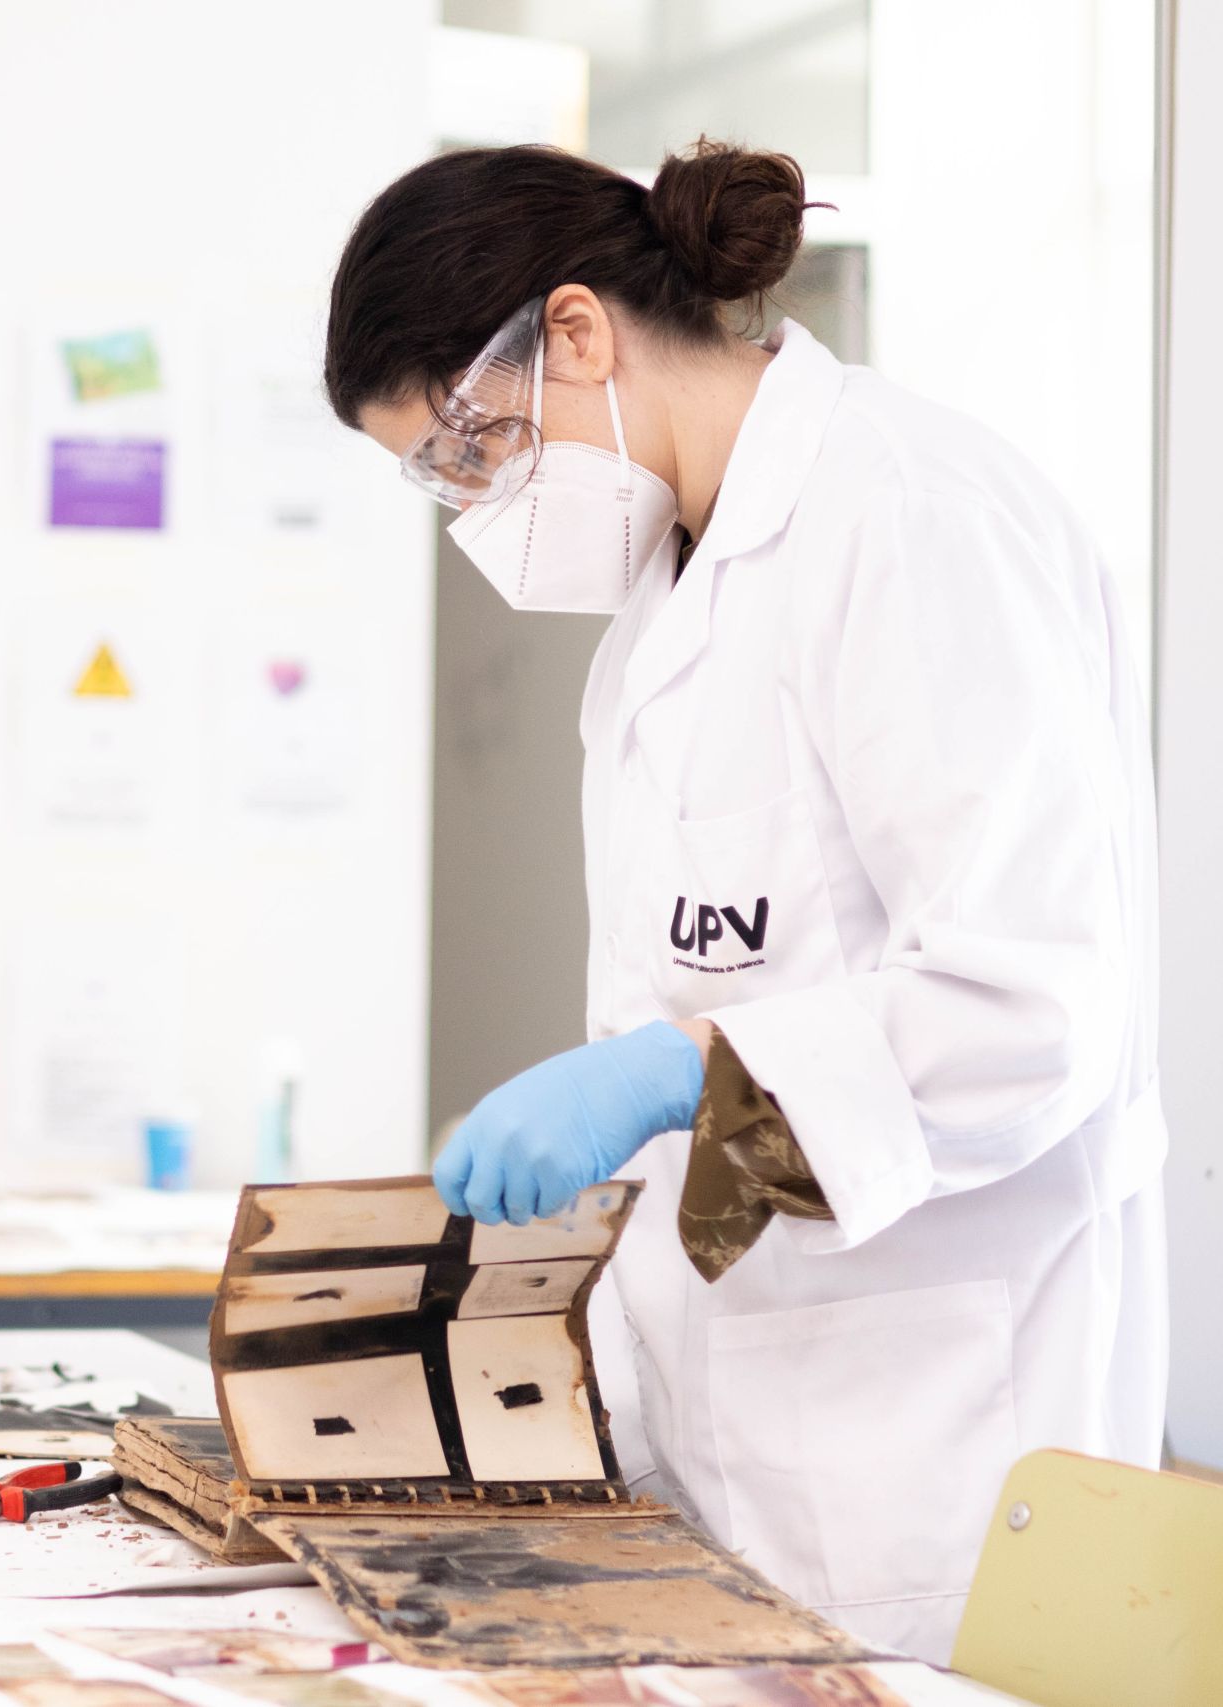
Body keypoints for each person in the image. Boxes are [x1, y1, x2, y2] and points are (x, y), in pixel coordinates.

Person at [324, 142, 1164, 1661]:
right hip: (740, 1432)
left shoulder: (910, 515)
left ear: (576, 333)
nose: (478, 506)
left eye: (472, 446)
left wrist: (679, 1072)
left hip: (936, 1455)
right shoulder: (669, 602)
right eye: (441, 478)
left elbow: (1034, 1011)